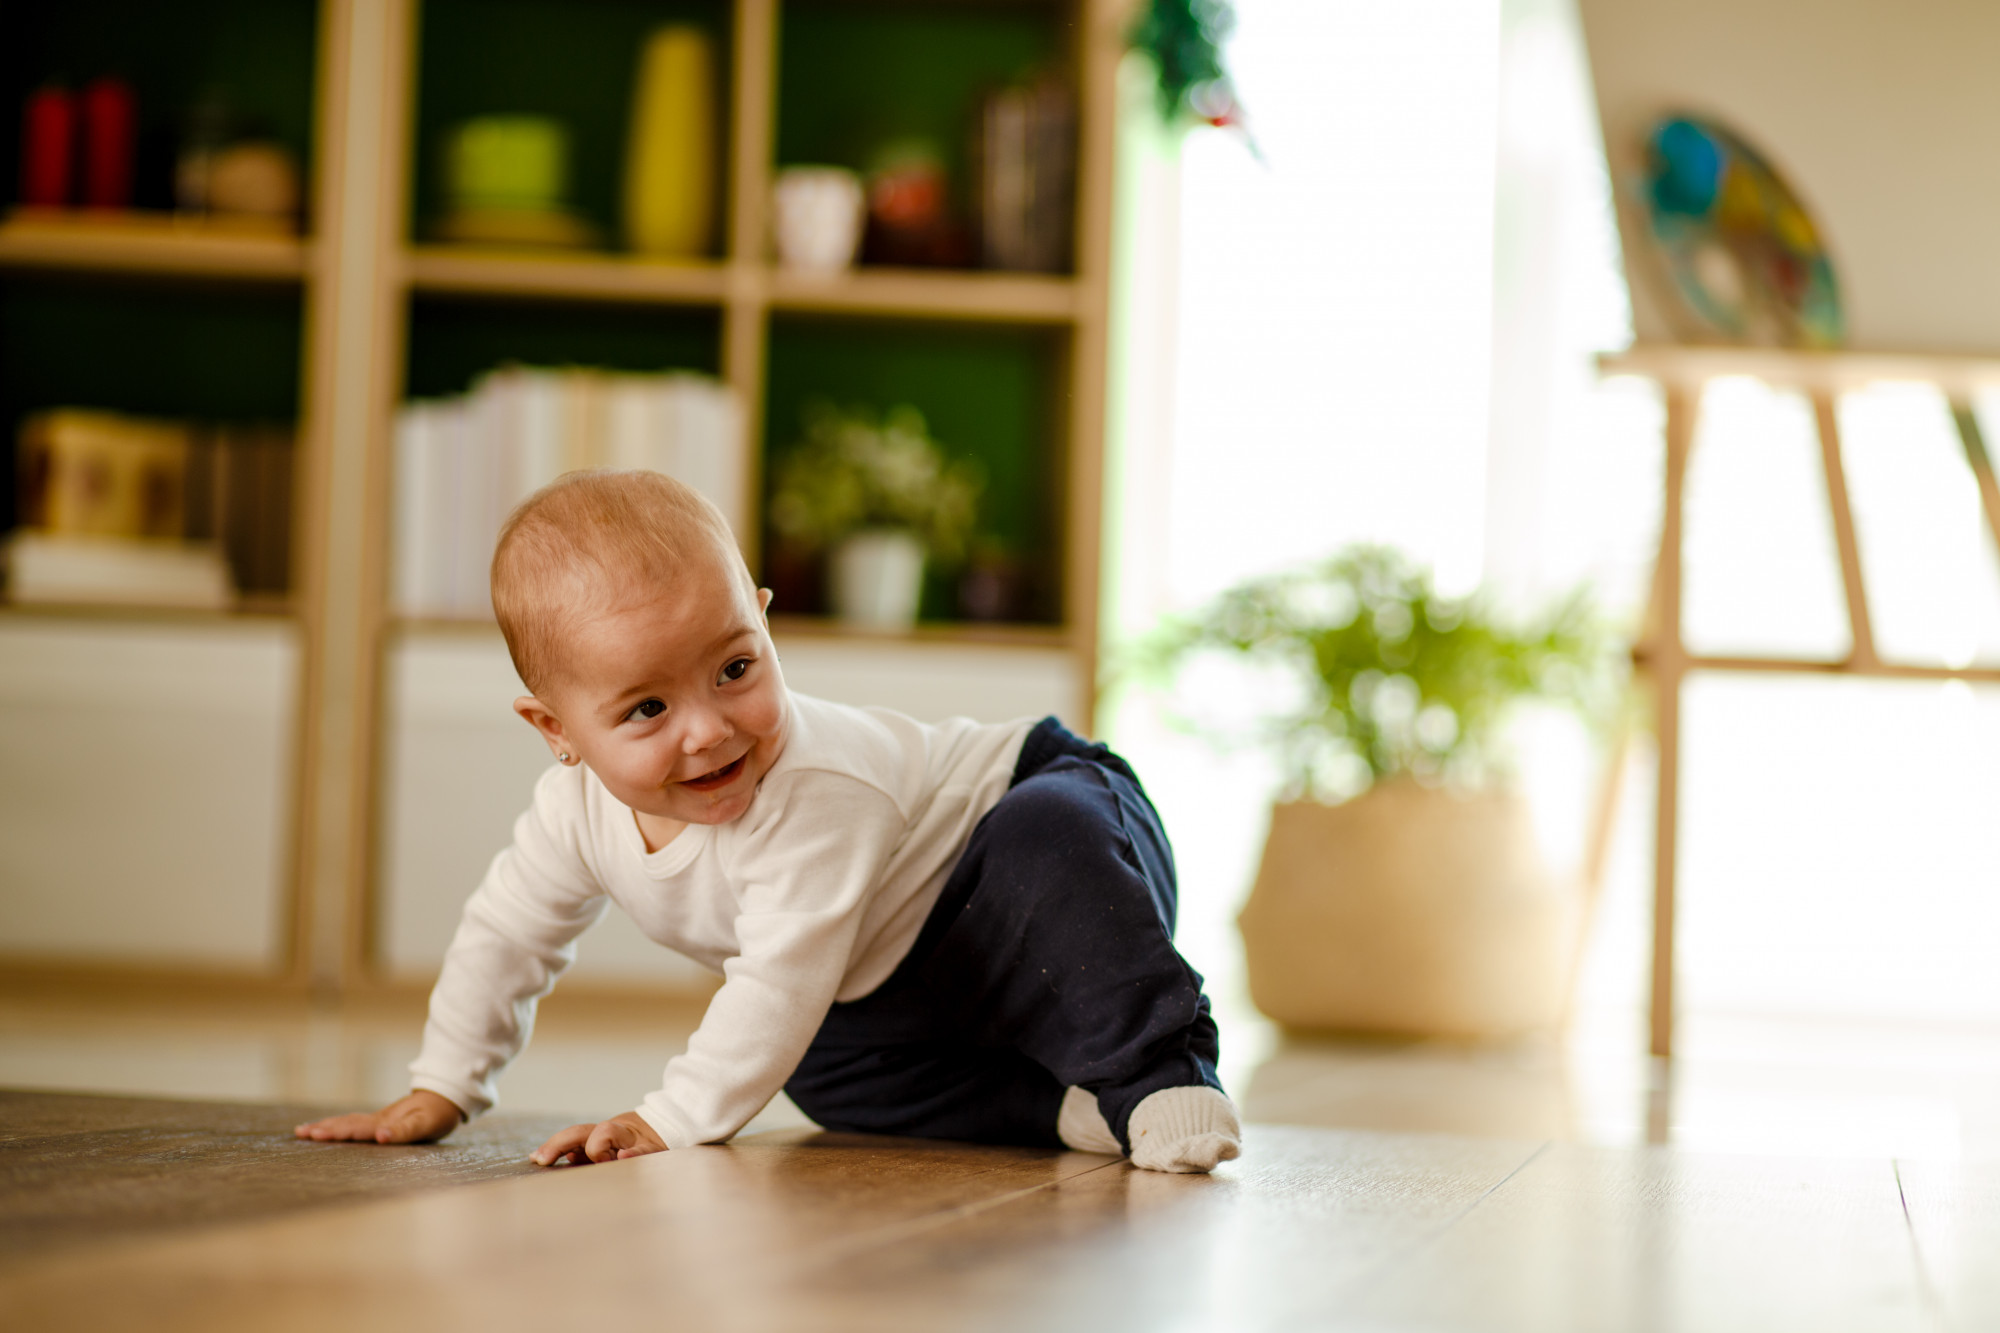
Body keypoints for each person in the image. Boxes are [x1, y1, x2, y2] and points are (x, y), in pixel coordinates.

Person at [294, 470, 1239, 1173]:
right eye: (646, 710)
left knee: (1054, 845)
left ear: (765, 622)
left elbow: (780, 975)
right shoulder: (571, 818)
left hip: (1019, 833)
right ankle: (1061, 1107)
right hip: (892, 970)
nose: (708, 731)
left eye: (735, 669)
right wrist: (446, 1081)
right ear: (556, 730)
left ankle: (1159, 1074)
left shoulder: (816, 786)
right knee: (827, 1076)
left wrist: (670, 1118)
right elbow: (507, 934)